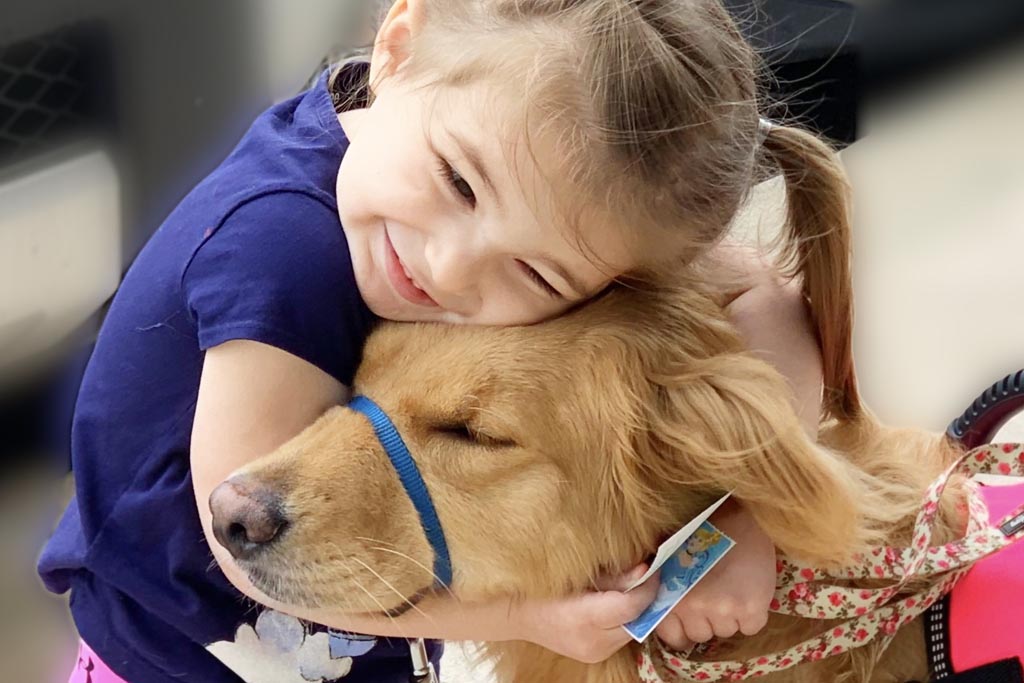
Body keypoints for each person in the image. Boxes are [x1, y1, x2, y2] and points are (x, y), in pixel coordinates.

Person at [39, 1, 859, 681]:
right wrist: (533, 617)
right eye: (459, 182)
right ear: (398, 46)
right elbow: (244, 528)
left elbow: (767, 295)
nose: (451, 266)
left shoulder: (524, 179)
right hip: (177, 657)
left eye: (536, 275)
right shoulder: (277, 254)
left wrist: (743, 521)